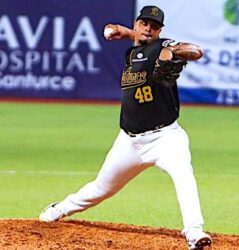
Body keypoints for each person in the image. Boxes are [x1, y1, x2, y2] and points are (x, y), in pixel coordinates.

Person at [39, 5, 212, 250]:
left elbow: (194, 51)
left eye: (154, 26)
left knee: (184, 174)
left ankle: (195, 232)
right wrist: (121, 30)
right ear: (137, 24)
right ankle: (61, 208)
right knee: (101, 188)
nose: (148, 28)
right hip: (129, 141)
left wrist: (173, 51)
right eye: (144, 23)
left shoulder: (162, 45)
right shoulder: (133, 52)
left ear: (160, 30)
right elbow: (136, 38)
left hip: (165, 138)